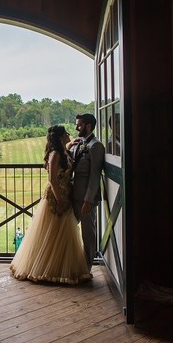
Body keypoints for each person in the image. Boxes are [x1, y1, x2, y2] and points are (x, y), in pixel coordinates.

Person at [10, 125, 92, 284]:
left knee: (62, 233)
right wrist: (59, 200)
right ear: (61, 136)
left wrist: (72, 143)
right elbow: (52, 179)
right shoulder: (54, 154)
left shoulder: (63, 151)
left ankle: (61, 267)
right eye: (67, 134)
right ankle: (45, 268)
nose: (70, 135)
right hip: (56, 197)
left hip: (66, 194)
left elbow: (65, 153)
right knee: (51, 231)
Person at [69, 113, 105, 272]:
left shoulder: (96, 146)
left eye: (79, 125)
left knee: (88, 234)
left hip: (85, 198)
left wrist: (89, 200)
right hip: (73, 195)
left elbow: (95, 174)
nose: (76, 127)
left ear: (88, 126)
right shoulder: (79, 143)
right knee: (68, 230)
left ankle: (87, 269)